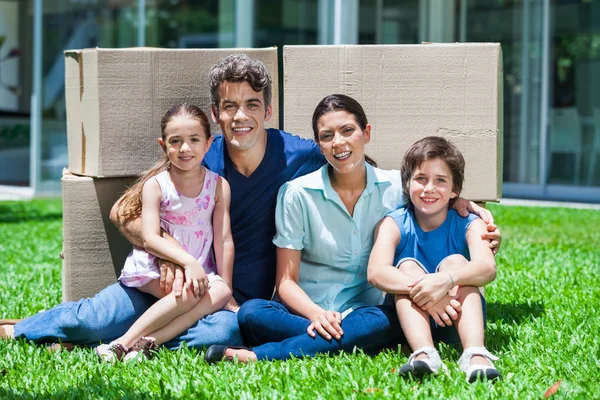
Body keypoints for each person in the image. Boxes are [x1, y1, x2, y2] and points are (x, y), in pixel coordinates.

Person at [0, 54, 500, 351]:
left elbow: (389, 176)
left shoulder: (303, 154)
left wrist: (465, 206)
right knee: (89, 317)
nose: (241, 116)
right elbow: (123, 213)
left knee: (210, 341)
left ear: (268, 108)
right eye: (229, 106)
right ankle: (21, 329)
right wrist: (169, 256)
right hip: (168, 281)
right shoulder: (198, 156)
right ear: (215, 112)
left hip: (233, 302)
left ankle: (137, 338)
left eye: (252, 105)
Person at [203, 94, 499, 364]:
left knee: (383, 320)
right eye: (327, 136)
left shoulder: (396, 187)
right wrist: (317, 315)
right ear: (319, 144)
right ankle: (359, 339)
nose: (339, 143)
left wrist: (465, 204)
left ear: (366, 133)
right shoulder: (297, 193)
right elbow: (286, 282)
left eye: (348, 131)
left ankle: (259, 356)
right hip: (306, 313)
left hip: (371, 310)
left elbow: (433, 192)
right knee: (253, 313)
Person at [94, 103, 233, 362]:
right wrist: (188, 261)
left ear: (208, 143)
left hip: (200, 271)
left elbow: (223, 238)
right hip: (155, 268)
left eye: (194, 140)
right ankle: (120, 344)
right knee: (189, 293)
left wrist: (225, 284)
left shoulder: (217, 186)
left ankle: (149, 343)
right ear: (163, 145)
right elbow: (150, 238)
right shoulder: (156, 186)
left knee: (222, 291)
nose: (185, 148)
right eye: (175, 141)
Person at [367, 136, 501, 382]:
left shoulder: (469, 223)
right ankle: (425, 353)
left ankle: (475, 353)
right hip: (408, 323)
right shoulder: (395, 223)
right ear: (407, 184)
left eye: (440, 180)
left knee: (457, 263)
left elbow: (487, 267)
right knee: (406, 266)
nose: (429, 188)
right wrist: (426, 293)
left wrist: (446, 280)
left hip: (459, 317)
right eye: (421, 179)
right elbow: (376, 271)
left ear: (455, 190)